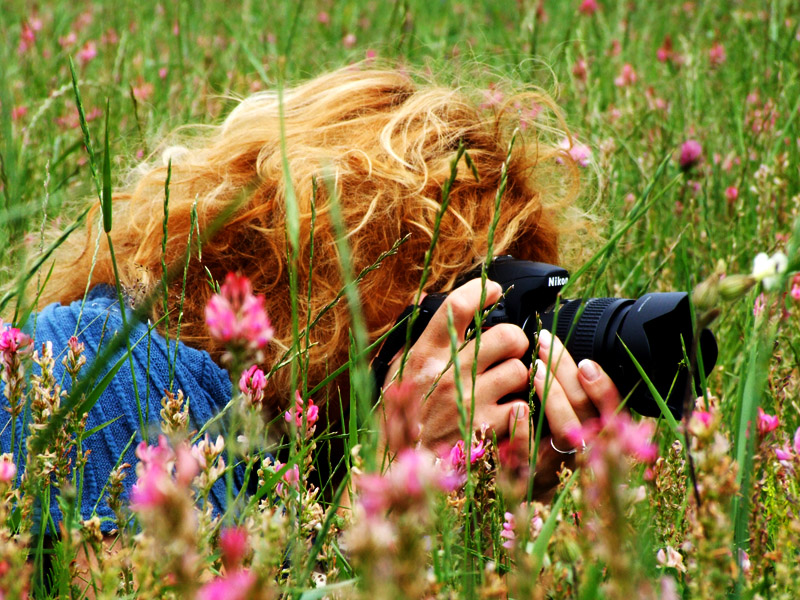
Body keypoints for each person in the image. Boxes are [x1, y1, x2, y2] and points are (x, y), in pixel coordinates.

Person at [1, 65, 621, 532]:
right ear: (340, 268)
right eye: (471, 316)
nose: (484, 360)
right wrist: (383, 489)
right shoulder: (100, 365)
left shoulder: (300, 448)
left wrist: (528, 532)